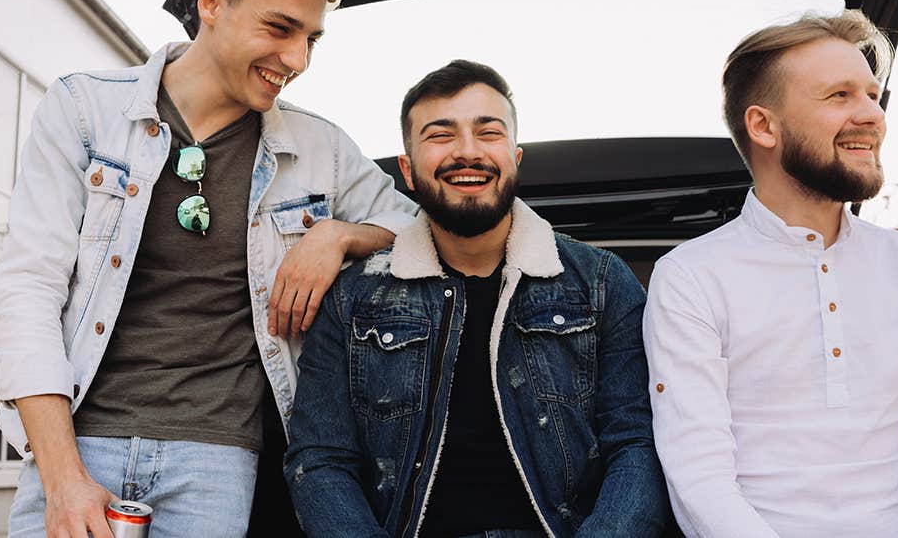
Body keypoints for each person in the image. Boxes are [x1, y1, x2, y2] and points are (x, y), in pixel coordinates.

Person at [0, 0, 416, 536]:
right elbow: (27, 289)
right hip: (74, 440)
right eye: (280, 28)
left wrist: (341, 236)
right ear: (211, 3)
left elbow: (420, 231)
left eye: (312, 39)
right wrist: (62, 479)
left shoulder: (320, 148)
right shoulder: (85, 110)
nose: (296, 58)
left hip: (217, 459)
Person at [642, 10, 898, 537]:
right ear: (763, 125)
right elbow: (699, 478)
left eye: (873, 95)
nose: (872, 114)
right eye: (840, 95)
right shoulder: (690, 276)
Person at [285, 60, 671, 537]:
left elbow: (637, 443)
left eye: (488, 133)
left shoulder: (602, 282)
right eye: (440, 135)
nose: (467, 152)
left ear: (515, 157)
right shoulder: (352, 300)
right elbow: (321, 463)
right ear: (407, 170)